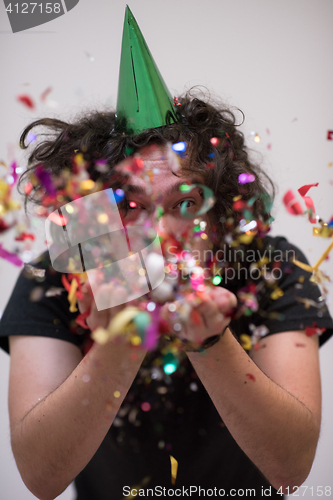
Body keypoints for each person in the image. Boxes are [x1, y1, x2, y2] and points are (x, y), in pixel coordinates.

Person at [1, 7, 333, 500]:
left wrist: (208, 341)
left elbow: (291, 470)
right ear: (96, 217)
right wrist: (122, 336)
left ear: (222, 215)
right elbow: (39, 478)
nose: (160, 233)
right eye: (131, 204)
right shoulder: (56, 276)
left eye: (185, 204)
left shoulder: (271, 268)